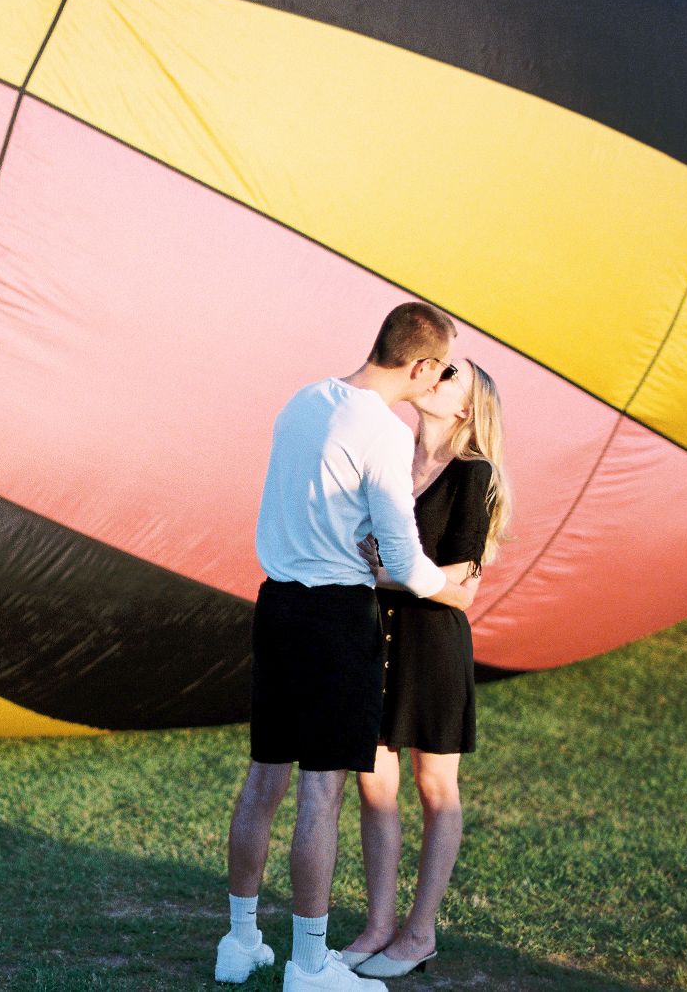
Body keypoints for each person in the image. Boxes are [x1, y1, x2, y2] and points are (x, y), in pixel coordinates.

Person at [215, 302, 476, 992]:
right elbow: (403, 556)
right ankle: (308, 966)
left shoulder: (304, 401)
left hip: (276, 603)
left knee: (264, 779)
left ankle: (239, 944)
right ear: (420, 368)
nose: (442, 379)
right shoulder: (383, 433)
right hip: (335, 616)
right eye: (442, 368)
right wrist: (452, 588)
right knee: (322, 792)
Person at [341, 358, 512, 980]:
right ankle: (379, 925)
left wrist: (378, 571)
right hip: (373, 637)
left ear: (466, 408)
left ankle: (420, 932)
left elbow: (461, 588)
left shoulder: (474, 474)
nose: (435, 375)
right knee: (373, 786)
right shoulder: (389, 453)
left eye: (451, 376)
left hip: (433, 645)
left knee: (436, 788)